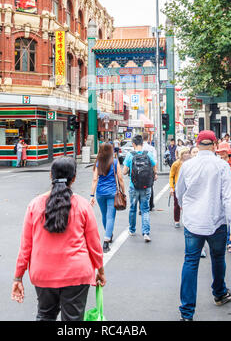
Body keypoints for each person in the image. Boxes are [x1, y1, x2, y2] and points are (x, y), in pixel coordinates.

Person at [11, 157, 105, 321]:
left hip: (43, 274)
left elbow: (26, 247)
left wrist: (18, 277)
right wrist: (100, 270)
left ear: (50, 176)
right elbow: (94, 245)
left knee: (45, 315)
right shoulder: (83, 205)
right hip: (76, 274)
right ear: (74, 178)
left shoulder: (34, 205)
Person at [176, 130, 231, 321]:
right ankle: (219, 293)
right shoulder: (221, 166)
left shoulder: (187, 166)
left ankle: (187, 313)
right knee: (218, 257)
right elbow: (229, 197)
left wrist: (186, 210)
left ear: (197, 145)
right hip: (216, 221)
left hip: (193, 221)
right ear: (214, 145)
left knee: (190, 262)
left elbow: (180, 193)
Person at [90, 142, 125, 253]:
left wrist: (92, 195)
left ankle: (108, 234)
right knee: (110, 217)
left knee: (104, 215)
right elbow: (120, 178)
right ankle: (106, 240)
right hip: (112, 193)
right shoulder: (115, 162)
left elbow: (95, 179)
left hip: (100, 193)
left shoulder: (98, 163)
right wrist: (123, 191)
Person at [123, 135, 157, 243]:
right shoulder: (148, 154)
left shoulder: (130, 155)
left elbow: (124, 171)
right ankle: (146, 233)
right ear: (142, 143)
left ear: (133, 144)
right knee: (145, 209)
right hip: (146, 186)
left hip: (134, 186)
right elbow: (154, 166)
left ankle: (132, 230)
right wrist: (154, 174)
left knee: (133, 208)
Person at [169, 147, 191, 228]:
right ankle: (176, 220)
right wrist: (171, 187)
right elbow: (171, 176)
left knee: (188, 204)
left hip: (188, 186)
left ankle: (187, 220)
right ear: (181, 155)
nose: (186, 155)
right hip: (178, 187)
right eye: (184, 153)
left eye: (188, 153)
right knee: (177, 204)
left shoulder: (191, 163)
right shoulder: (176, 163)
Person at [142, 132, 157, 210]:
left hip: (139, 170)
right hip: (149, 170)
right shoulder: (151, 148)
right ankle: (150, 205)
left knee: (140, 188)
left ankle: (141, 205)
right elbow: (154, 161)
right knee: (150, 187)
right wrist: (155, 173)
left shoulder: (139, 148)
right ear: (148, 138)